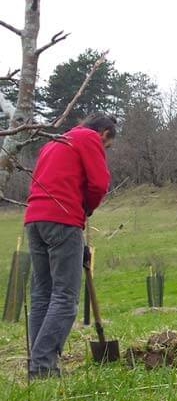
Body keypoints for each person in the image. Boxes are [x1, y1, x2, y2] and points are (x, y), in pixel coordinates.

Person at [23, 112, 116, 380]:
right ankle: (43, 366)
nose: (104, 150)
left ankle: (37, 363)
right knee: (65, 297)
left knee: (42, 293)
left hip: (34, 219)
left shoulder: (54, 141)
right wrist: (86, 208)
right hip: (62, 219)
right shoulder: (88, 138)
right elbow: (98, 184)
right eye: (107, 147)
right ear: (104, 134)